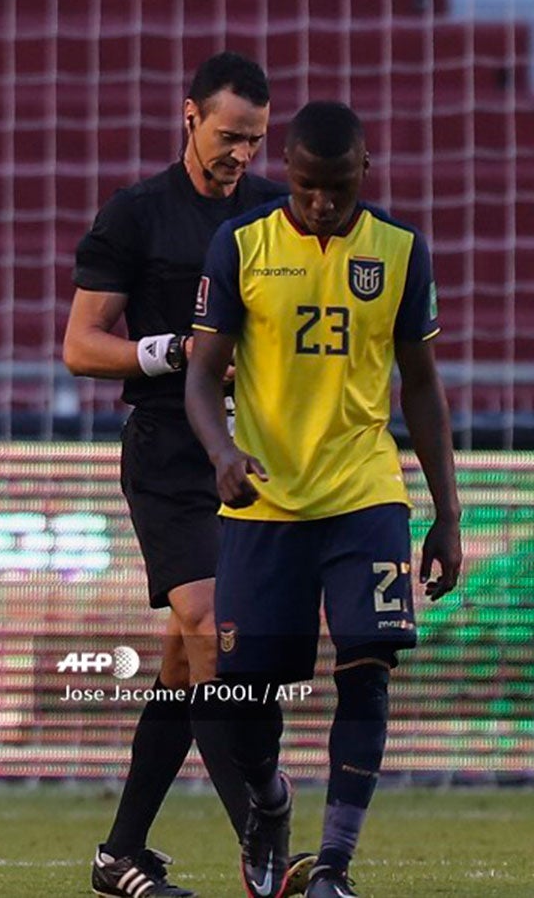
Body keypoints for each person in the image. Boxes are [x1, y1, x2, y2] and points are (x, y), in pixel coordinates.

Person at [186, 100, 462, 898]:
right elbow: (204, 373)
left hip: (364, 496)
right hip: (266, 502)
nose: (320, 203)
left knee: (368, 670)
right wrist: (221, 451)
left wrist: (447, 513)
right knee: (245, 698)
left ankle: (334, 867)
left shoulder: (401, 251)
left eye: (336, 188)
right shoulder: (241, 244)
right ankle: (270, 804)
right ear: (289, 175)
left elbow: (422, 385)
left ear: (364, 173)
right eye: (306, 187)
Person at [65, 52, 313, 897]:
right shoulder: (136, 215)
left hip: (260, 454)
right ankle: (262, 823)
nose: (239, 152)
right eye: (227, 134)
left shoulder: (277, 220)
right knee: (212, 628)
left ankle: (120, 852)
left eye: (254, 139)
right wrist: (173, 351)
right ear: (189, 118)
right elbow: (80, 345)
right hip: (171, 449)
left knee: (190, 658)